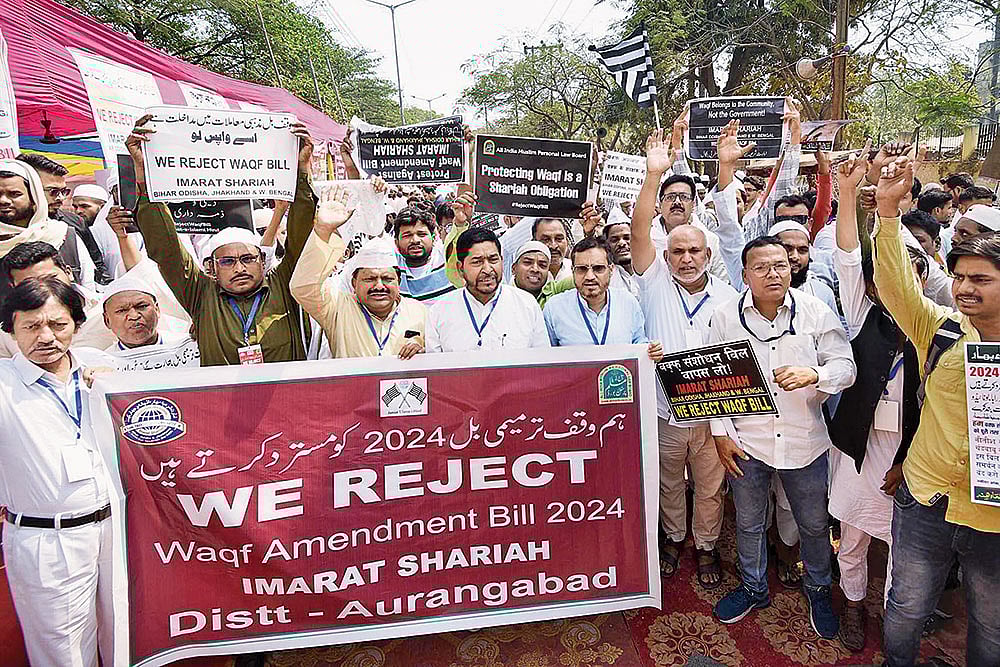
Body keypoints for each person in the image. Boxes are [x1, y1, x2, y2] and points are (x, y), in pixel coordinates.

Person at [873, 155, 1000, 667]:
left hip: (993, 516)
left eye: (981, 279)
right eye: (960, 277)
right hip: (926, 498)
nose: (965, 288)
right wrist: (887, 211)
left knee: (991, 624)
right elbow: (897, 288)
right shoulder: (943, 329)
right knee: (906, 606)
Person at [709, 236, 855, 638]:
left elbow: (846, 366)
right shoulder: (724, 316)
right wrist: (721, 434)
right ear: (745, 275)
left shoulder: (815, 311)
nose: (772, 274)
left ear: (791, 269)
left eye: (780, 265)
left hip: (804, 441)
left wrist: (816, 374)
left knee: (813, 524)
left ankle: (818, 589)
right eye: (761, 267)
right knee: (749, 523)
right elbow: (710, 381)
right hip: (747, 442)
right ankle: (753, 587)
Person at [631, 127, 741, 588]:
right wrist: (653, 175)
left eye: (695, 250)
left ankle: (707, 546)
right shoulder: (653, 280)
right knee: (669, 482)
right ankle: (674, 538)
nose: (686, 258)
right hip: (664, 412)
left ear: (707, 253)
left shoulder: (730, 298)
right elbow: (639, 229)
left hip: (714, 416)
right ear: (666, 255)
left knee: (711, 487)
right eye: (677, 251)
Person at [828, 151, 927, 652]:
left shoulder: (935, 327)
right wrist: (847, 193)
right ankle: (852, 605)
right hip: (858, 449)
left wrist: (908, 461)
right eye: (885, 271)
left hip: (911, 457)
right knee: (852, 538)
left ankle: (895, 621)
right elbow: (847, 255)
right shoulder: (858, 312)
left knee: (902, 547)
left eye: (909, 270)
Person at [125, 114, 319, 366]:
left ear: (263, 261)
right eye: (228, 261)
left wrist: (302, 170)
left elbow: (302, 237)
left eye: (248, 259)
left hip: (286, 390)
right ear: (212, 268)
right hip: (224, 393)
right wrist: (144, 173)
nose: (239, 268)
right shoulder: (201, 294)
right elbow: (166, 248)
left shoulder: (283, 283)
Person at [0, 276, 114, 667]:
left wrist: (118, 389)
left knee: (124, 639)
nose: (46, 336)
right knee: (63, 654)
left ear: (77, 324)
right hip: (47, 540)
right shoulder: (3, 384)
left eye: (57, 324)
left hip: (114, 532)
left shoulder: (105, 373)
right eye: (31, 326)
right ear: (11, 330)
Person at [290, 185, 426, 360]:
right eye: (370, 279)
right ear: (354, 282)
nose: (379, 286)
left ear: (398, 282)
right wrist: (323, 230)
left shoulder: (419, 311)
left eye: (387, 278)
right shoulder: (337, 308)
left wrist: (424, 351)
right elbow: (303, 287)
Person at [426, 227, 549, 352]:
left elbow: (542, 358)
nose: (487, 269)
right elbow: (434, 363)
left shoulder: (527, 305)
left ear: (502, 261)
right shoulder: (439, 312)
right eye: (477, 262)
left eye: (493, 260)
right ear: (460, 268)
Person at [0, 160, 100, 294]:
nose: (4, 201)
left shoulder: (64, 236)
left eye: (14, 194)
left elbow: (88, 291)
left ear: (34, 196)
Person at [542, 236, 654, 352]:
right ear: (572, 270)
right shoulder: (554, 308)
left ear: (611, 270)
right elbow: (546, 355)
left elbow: (639, 343)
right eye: (582, 269)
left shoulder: (628, 302)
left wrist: (651, 350)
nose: (589, 276)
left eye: (598, 268)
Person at [14, 154, 111, 286]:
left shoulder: (71, 226)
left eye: (64, 191)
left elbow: (96, 269)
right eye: (53, 191)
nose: (61, 198)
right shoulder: (7, 234)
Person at [100, 275, 200, 370]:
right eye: (122, 310)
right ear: (107, 320)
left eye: (142, 306)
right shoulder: (103, 365)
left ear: (157, 309)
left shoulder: (189, 346)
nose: (134, 316)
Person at [393, 206, 458, 303]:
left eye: (421, 234)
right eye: (407, 235)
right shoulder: (391, 266)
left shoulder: (447, 258)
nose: (415, 240)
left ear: (434, 238)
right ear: (396, 242)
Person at [509, 240, 573, 307]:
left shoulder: (554, 291)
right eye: (528, 262)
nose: (535, 269)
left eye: (542, 265)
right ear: (514, 269)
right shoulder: (504, 297)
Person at [602, 207, 640, 298]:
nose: (622, 243)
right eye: (614, 240)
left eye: (627, 238)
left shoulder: (650, 271)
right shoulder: (605, 276)